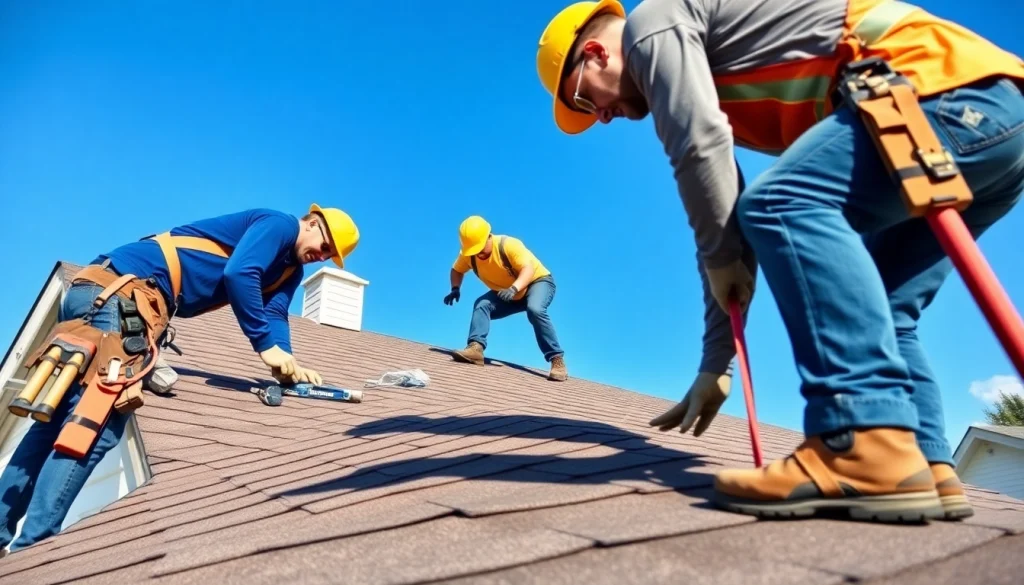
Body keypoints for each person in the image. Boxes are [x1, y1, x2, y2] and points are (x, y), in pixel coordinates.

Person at [536, 0, 1024, 522]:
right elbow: (725, 214)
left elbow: (702, 156)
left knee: (781, 203)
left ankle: (857, 440)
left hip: (942, 96)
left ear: (594, 53)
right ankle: (924, 465)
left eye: (586, 101)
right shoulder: (709, 79)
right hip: (995, 117)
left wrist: (723, 260)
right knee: (882, 304)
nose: (603, 118)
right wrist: (716, 361)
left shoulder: (651, 25)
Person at [0, 204, 359, 552]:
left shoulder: (289, 270)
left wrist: (286, 361)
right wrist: (265, 345)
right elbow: (240, 272)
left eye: (332, 256)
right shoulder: (279, 225)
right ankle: (35, 549)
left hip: (98, 290)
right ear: (312, 223)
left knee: (57, 421)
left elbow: (275, 312)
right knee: (97, 420)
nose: (323, 256)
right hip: (120, 295)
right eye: (325, 245)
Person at [444, 215, 568, 382]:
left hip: (536, 282)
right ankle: (475, 349)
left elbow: (528, 269)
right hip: (508, 291)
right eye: (474, 250)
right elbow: (456, 270)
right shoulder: (470, 254)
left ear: (489, 236)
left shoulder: (508, 245)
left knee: (535, 309)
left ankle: (557, 360)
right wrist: (455, 288)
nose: (478, 253)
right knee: (482, 305)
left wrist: (514, 288)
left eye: (480, 248)